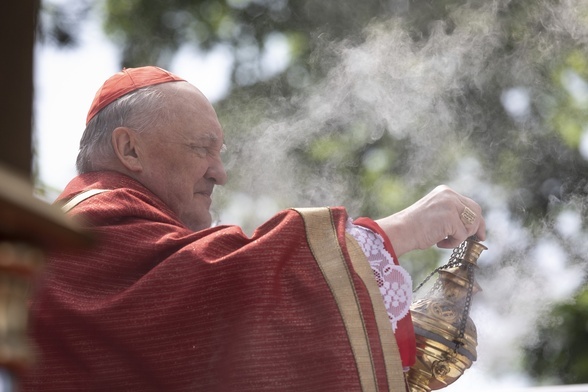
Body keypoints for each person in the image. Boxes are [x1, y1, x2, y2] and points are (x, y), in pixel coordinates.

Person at [22, 66, 485, 391]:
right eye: (202, 149)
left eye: (220, 152)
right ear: (130, 150)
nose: (219, 173)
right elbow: (221, 291)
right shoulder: (88, 229)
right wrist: (398, 231)